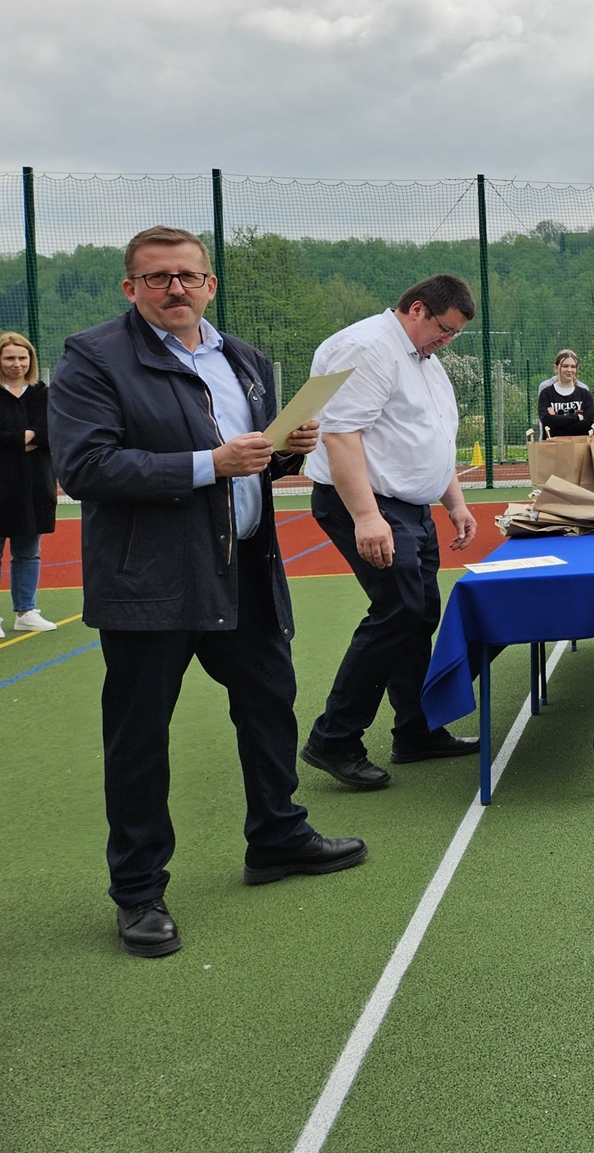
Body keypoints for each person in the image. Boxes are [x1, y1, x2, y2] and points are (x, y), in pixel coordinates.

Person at [49, 226, 363, 958]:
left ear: (210, 284)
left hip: (243, 568)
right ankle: (138, 892)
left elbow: (249, 463)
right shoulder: (93, 358)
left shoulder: (244, 359)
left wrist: (286, 449)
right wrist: (208, 463)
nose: (175, 289)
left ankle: (277, 837)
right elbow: (87, 466)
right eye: (157, 278)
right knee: (138, 740)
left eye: (188, 276)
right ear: (131, 288)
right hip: (150, 582)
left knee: (268, 706)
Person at [299, 274, 483, 791]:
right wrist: (366, 517)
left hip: (411, 507)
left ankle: (416, 730)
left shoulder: (423, 361)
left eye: (454, 336)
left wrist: (456, 503)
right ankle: (334, 738)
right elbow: (340, 435)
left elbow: (433, 438)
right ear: (417, 309)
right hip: (370, 504)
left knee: (420, 613)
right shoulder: (365, 347)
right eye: (444, 330)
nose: (447, 341)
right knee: (397, 611)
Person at [0, 332, 57, 634]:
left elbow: (52, 431)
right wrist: (21, 437)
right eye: (10, 357)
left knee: (27, 551)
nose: (17, 364)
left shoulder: (41, 393)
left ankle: (26, 611)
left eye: (22, 358)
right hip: (2, 486)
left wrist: (29, 436)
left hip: (34, 486)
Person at [536, 349, 594, 438]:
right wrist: (576, 417)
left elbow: (588, 423)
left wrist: (558, 424)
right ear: (556, 368)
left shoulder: (584, 393)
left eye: (573, 366)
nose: (569, 370)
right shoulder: (546, 393)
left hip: (579, 446)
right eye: (565, 366)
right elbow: (546, 420)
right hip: (553, 447)